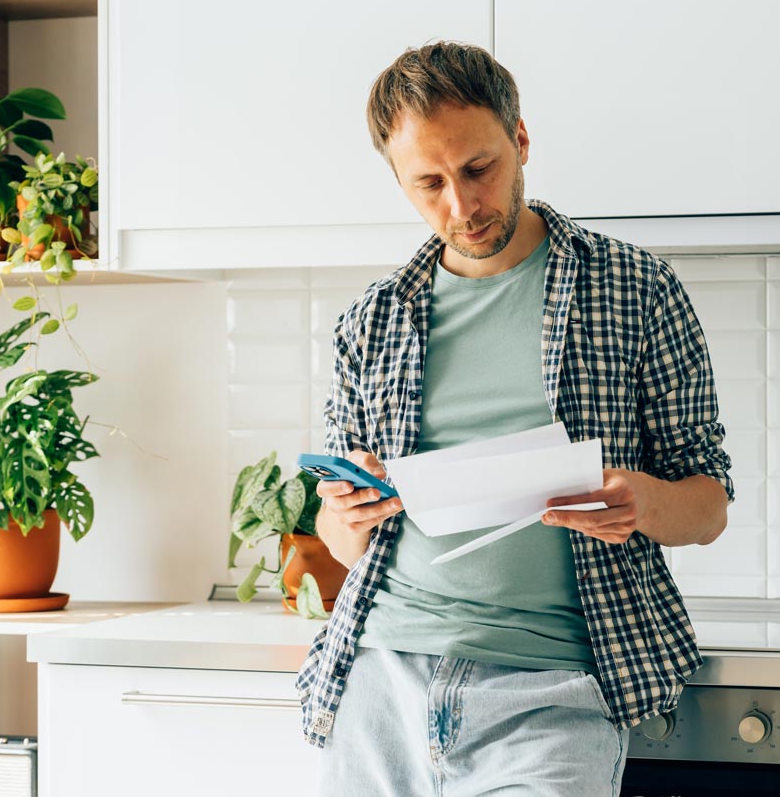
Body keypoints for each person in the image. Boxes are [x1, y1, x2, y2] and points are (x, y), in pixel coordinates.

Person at [295, 41, 734, 796]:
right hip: (381, 679)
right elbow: (338, 540)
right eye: (428, 183)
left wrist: (643, 503)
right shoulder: (370, 322)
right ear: (399, 181)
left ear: (520, 139)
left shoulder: (635, 290)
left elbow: (710, 506)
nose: (461, 208)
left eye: (478, 169)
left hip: (554, 689)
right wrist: (351, 513)